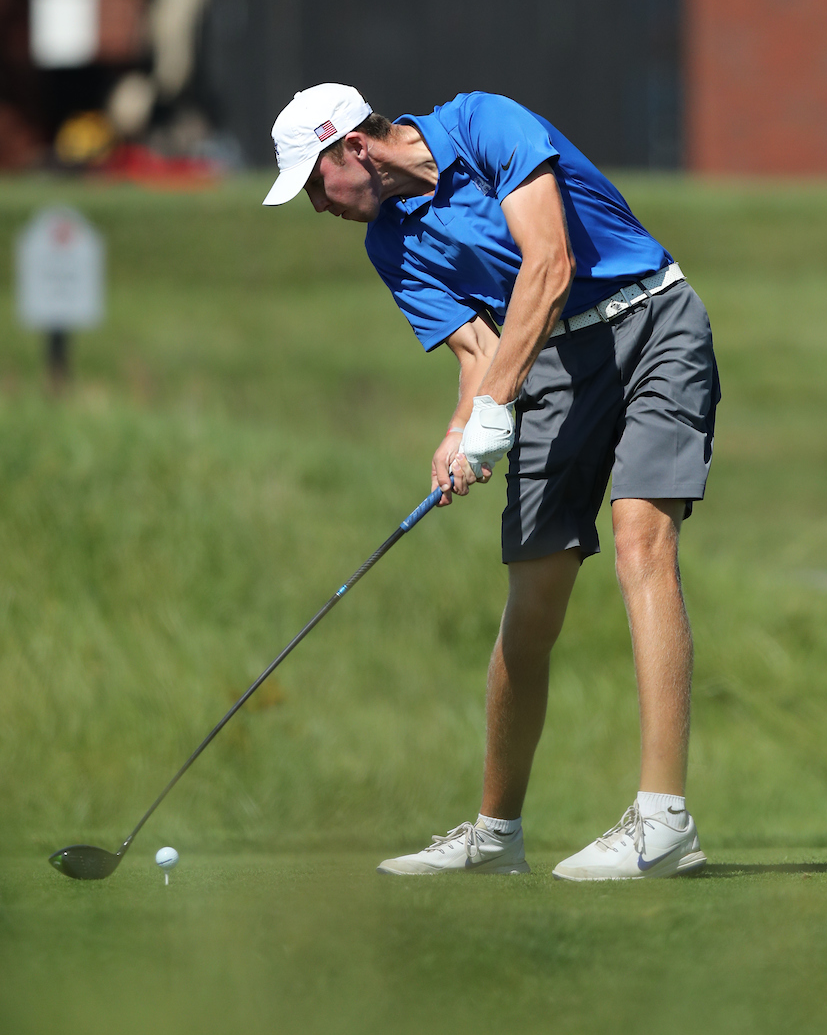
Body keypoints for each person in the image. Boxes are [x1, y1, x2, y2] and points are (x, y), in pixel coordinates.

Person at [263, 82, 719, 880]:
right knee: (532, 598)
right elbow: (477, 351)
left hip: (651, 324)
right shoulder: (389, 246)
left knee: (639, 542)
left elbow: (550, 264)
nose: (315, 207)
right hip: (548, 369)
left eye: (312, 184)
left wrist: (495, 406)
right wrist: (458, 433)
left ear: (352, 149)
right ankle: (494, 835)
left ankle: (663, 820)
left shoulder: (483, 124)